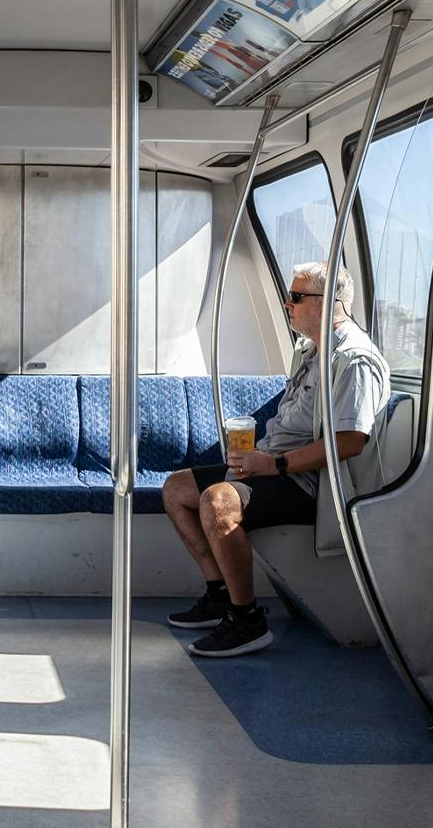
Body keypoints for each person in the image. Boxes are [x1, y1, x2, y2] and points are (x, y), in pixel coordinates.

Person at [161, 261, 390, 657]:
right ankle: (219, 592)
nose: (287, 304)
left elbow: (351, 440)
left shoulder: (353, 360)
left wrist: (274, 465)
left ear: (330, 302)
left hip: (307, 482)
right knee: (176, 487)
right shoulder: (311, 349)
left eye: (297, 297)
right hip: (274, 465)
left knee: (218, 501)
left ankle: (246, 619)